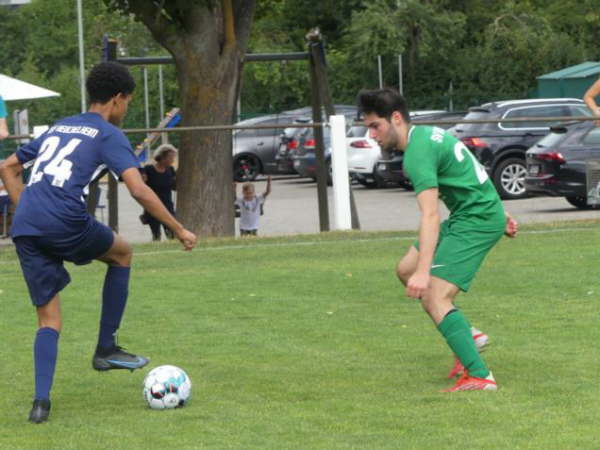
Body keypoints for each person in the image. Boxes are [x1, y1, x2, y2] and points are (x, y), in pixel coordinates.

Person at [0, 62, 197, 424]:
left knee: (48, 319)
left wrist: (26, 208)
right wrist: (178, 229)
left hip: (26, 224)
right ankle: (106, 348)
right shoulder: (107, 133)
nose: (126, 109)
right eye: (128, 102)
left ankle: (41, 405)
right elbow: (138, 188)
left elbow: (8, 167)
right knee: (122, 253)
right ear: (117, 99)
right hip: (64, 219)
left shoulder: (61, 125)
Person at [357, 88, 518, 392]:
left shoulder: (417, 154)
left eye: (375, 125)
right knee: (405, 269)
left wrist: (425, 271)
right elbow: (471, 171)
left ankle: (480, 375)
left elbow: (430, 215)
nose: (372, 135)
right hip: (474, 214)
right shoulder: (429, 134)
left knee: (433, 295)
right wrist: (500, 210)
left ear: (395, 118)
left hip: (476, 220)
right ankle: (467, 337)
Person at [142, 144, 177, 241]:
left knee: (171, 234)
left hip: (168, 206)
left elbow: (174, 187)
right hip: (152, 206)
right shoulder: (149, 169)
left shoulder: (171, 170)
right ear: (162, 157)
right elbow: (142, 186)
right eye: (171, 158)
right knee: (156, 235)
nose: (173, 160)